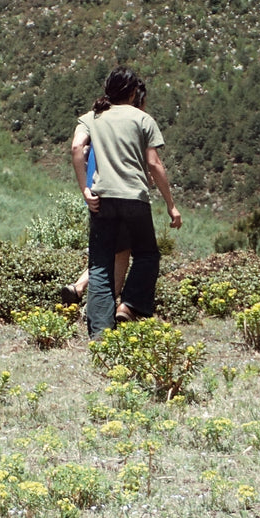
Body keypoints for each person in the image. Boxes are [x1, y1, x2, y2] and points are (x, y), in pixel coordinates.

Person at [71, 68, 181, 338]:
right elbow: (154, 164)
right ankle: (130, 305)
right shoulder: (142, 118)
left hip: (102, 200)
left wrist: (85, 189)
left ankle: (100, 334)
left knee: (100, 265)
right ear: (133, 93)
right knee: (146, 255)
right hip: (134, 197)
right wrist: (171, 205)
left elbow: (76, 148)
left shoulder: (91, 117)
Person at [60, 82, 144, 305]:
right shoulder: (129, 122)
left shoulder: (97, 119)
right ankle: (105, 307)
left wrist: (84, 189)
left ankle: (78, 289)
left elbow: (78, 148)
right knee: (122, 252)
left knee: (107, 251)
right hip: (121, 192)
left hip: (95, 192)